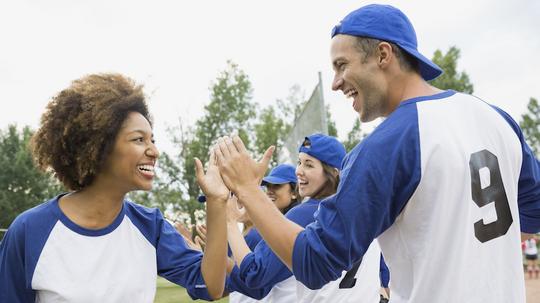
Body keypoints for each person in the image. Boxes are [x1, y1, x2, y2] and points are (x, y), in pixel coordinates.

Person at [212, 4, 540, 303]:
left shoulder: (391, 142)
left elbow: (314, 262)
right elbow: (533, 212)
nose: (337, 83)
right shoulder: (495, 117)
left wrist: (248, 190)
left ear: (383, 54)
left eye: (342, 65)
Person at [0, 73, 229, 302]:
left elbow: (211, 286)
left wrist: (217, 201)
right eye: (139, 139)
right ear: (100, 147)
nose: (154, 151)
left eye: (153, 140)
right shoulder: (29, 231)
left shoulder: (151, 227)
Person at [224, 134, 381, 302]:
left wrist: (230, 223)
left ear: (333, 173)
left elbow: (256, 274)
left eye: (309, 165)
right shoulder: (367, 210)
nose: (298, 171)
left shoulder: (304, 213)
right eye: (299, 162)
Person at [227, 163, 299, 303]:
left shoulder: (293, 223)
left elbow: (257, 284)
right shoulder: (275, 226)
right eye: (268, 186)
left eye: (277, 186)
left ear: (294, 192)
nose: (270, 191)